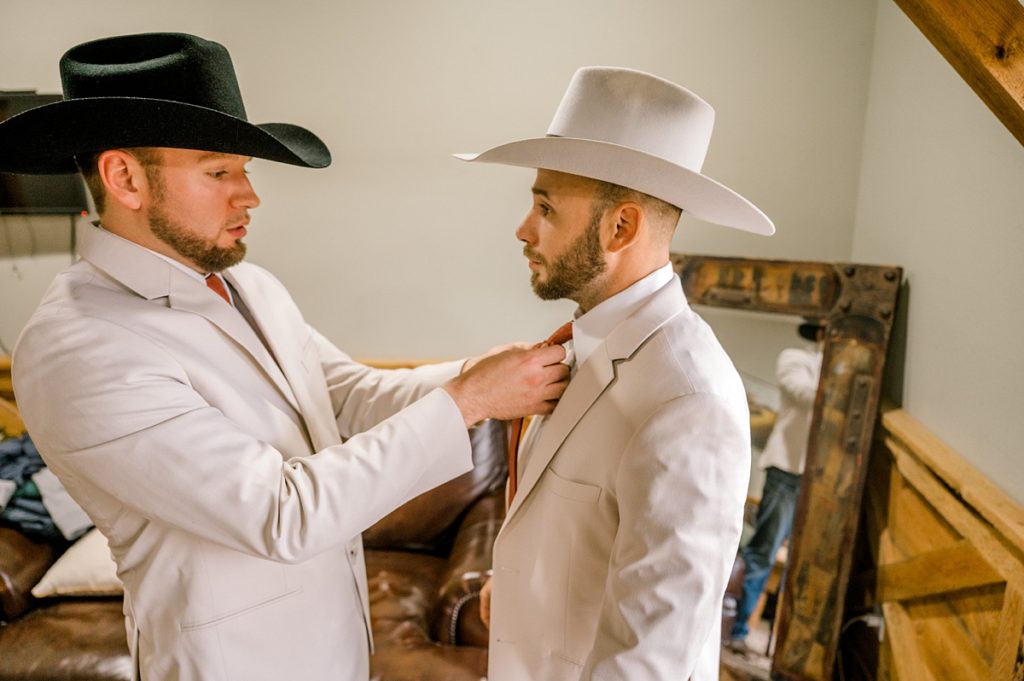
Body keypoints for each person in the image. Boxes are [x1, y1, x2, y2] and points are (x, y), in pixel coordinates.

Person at [0, 33, 569, 681]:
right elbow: (279, 513)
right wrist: (469, 401)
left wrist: (473, 375)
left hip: (336, 646)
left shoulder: (250, 284)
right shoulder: (75, 345)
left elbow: (346, 394)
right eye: (220, 171)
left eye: (245, 170)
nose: (250, 195)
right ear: (123, 177)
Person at [459, 67, 775, 681]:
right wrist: (518, 580)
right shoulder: (585, 344)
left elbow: (653, 655)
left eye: (545, 207)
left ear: (620, 227)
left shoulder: (688, 398)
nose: (523, 230)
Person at [725, 320, 824, 655]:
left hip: (822, 478)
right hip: (788, 469)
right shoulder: (796, 359)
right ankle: (738, 630)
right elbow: (805, 395)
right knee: (763, 553)